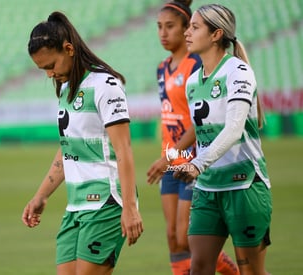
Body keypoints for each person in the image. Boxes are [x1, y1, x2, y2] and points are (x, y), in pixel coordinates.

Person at [21, 11, 143, 275]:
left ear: (68, 49)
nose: (49, 74)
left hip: (106, 203)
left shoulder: (105, 85)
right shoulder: (66, 89)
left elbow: (124, 150)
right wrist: (41, 196)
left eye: (51, 65)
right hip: (76, 206)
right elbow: (68, 148)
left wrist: (130, 208)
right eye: (43, 70)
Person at [174, 4, 272, 275]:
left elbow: (233, 130)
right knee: (200, 268)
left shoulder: (237, 71)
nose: (187, 33)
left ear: (216, 34)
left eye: (195, 27)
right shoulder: (192, 82)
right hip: (207, 188)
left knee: (251, 272)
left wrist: (197, 164)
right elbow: (204, 136)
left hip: (245, 186)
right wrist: (184, 162)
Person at [146, 2, 239, 275]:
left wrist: (169, 156)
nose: (163, 33)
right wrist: (168, 156)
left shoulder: (195, 65)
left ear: (187, 28)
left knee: (187, 235)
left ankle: (236, 272)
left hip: (192, 160)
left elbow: (199, 123)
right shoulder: (162, 68)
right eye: (159, 27)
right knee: (174, 239)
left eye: (170, 26)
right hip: (172, 159)